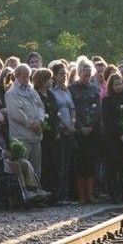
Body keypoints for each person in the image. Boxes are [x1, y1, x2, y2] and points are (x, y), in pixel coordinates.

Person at [5, 64, 46, 180]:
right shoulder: (11, 93)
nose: (27, 80)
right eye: (24, 77)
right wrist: (31, 124)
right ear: (17, 76)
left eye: (28, 77)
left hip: (36, 136)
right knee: (23, 170)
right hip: (22, 138)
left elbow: (40, 107)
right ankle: (25, 193)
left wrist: (40, 121)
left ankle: (37, 192)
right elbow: (16, 113)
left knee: (36, 170)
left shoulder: (32, 91)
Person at [69, 58, 101, 203]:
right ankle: (81, 196)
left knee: (91, 162)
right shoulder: (72, 89)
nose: (87, 78)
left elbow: (97, 109)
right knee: (79, 164)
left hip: (92, 130)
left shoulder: (94, 88)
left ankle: (90, 194)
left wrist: (92, 126)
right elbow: (73, 110)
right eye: (84, 75)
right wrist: (80, 126)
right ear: (79, 73)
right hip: (79, 131)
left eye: (89, 75)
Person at [101, 73, 123, 202]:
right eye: (116, 84)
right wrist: (120, 135)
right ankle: (113, 193)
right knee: (112, 167)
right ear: (111, 86)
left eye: (121, 84)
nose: (119, 86)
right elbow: (108, 120)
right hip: (113, 139)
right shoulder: (107, 100)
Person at [50, 61, 77, 205]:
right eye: (61, 74)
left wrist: (72, 123)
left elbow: (72, 108)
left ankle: (66, 195)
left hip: (70, 131)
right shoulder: (53, 92)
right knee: (59, 164)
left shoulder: (66, 91)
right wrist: (64, 126)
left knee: (67, 164)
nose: (64, 76)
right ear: (54, 76)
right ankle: (58, 195)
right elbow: (55, 112)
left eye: (65, 73)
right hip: (61, 131)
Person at [33, 68, 58, 198]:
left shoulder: (51, 94)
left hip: (53, 134)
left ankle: (53, 192)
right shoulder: (36, 94)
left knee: (52, 164)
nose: (51, 81)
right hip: (43, 135)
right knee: (44, 164)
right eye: (49, 79)